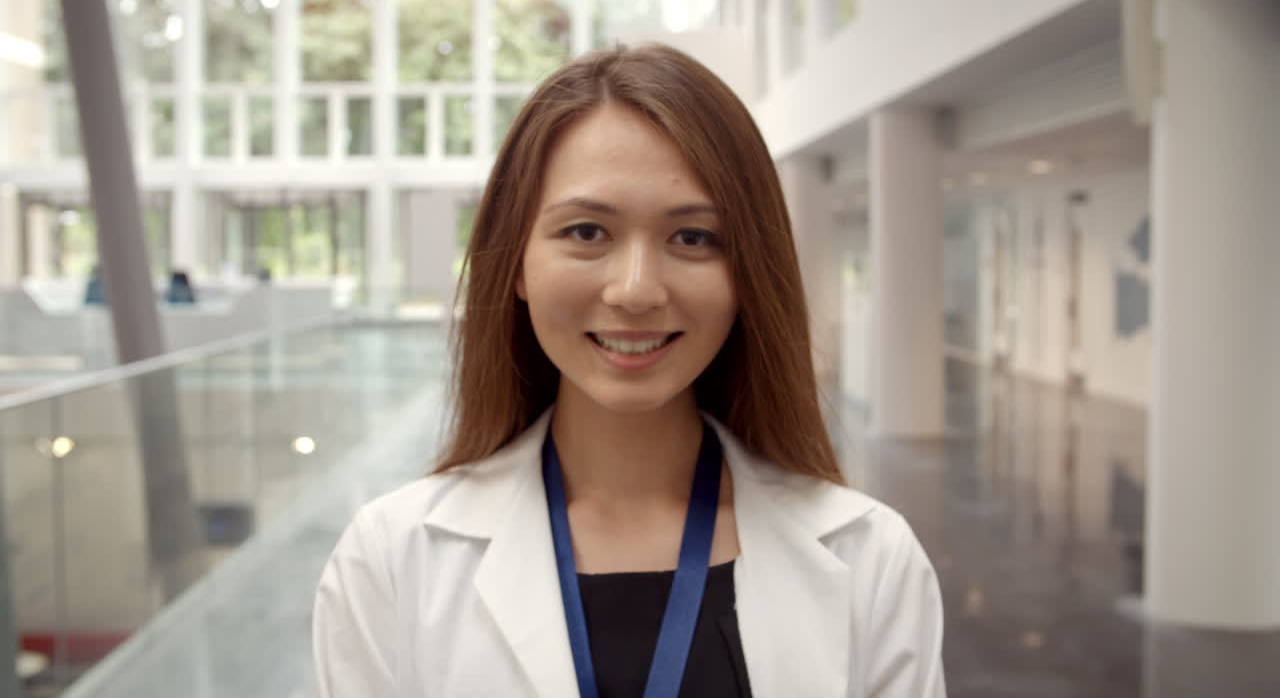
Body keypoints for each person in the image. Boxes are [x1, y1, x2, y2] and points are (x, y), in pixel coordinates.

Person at [312, 44, 946, 697]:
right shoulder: (393, 559)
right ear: (516, 264)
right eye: (587, 232)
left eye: (693, 237)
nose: (636, 290)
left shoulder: (871, 559)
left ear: (748, 273)